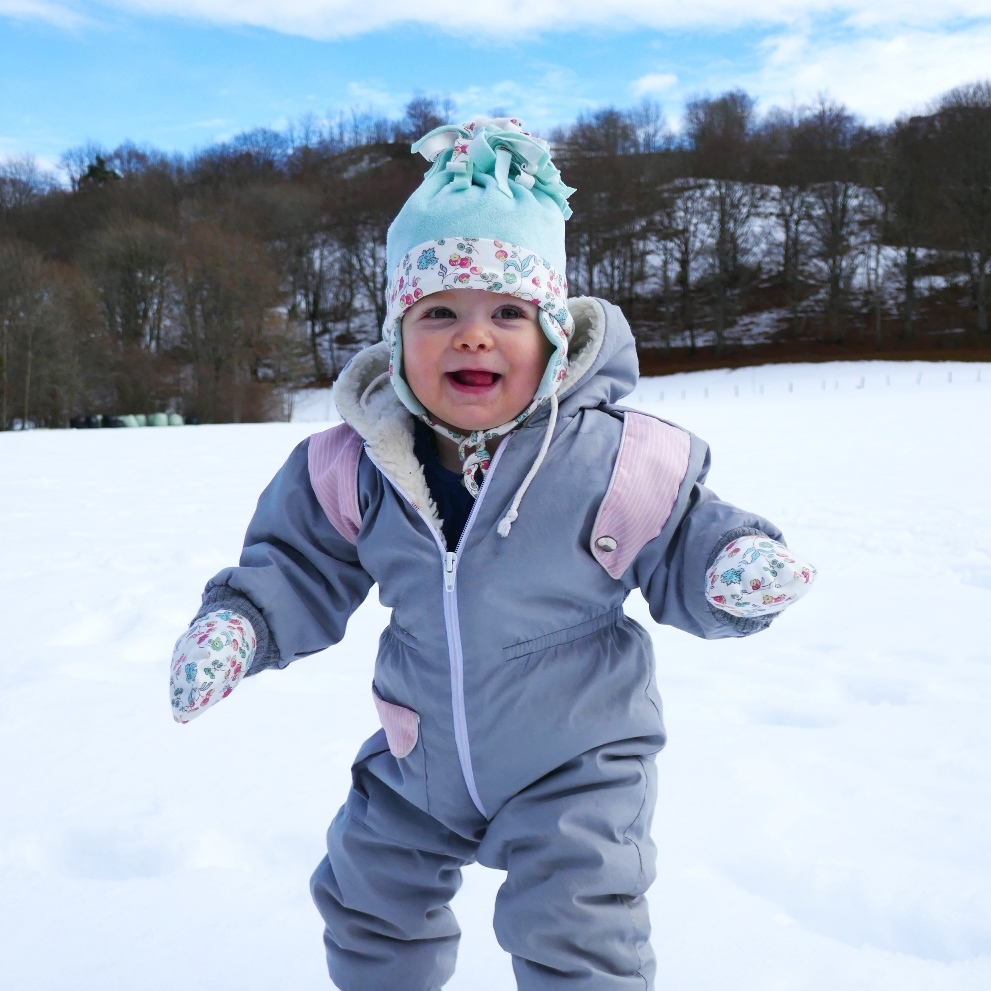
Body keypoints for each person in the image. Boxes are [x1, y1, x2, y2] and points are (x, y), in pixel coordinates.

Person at [169, 117, 816, 991]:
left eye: (507, 313)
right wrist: (240, 623)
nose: (474, 336)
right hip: (418, 754)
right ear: (399, 342)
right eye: (440, 313)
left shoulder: (607, 455)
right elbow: (298, 563)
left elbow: (678, 535)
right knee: (365, 897)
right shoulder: (360, 466)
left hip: (576, 760)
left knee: (577, 926)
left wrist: (728, 568)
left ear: (552, 338)